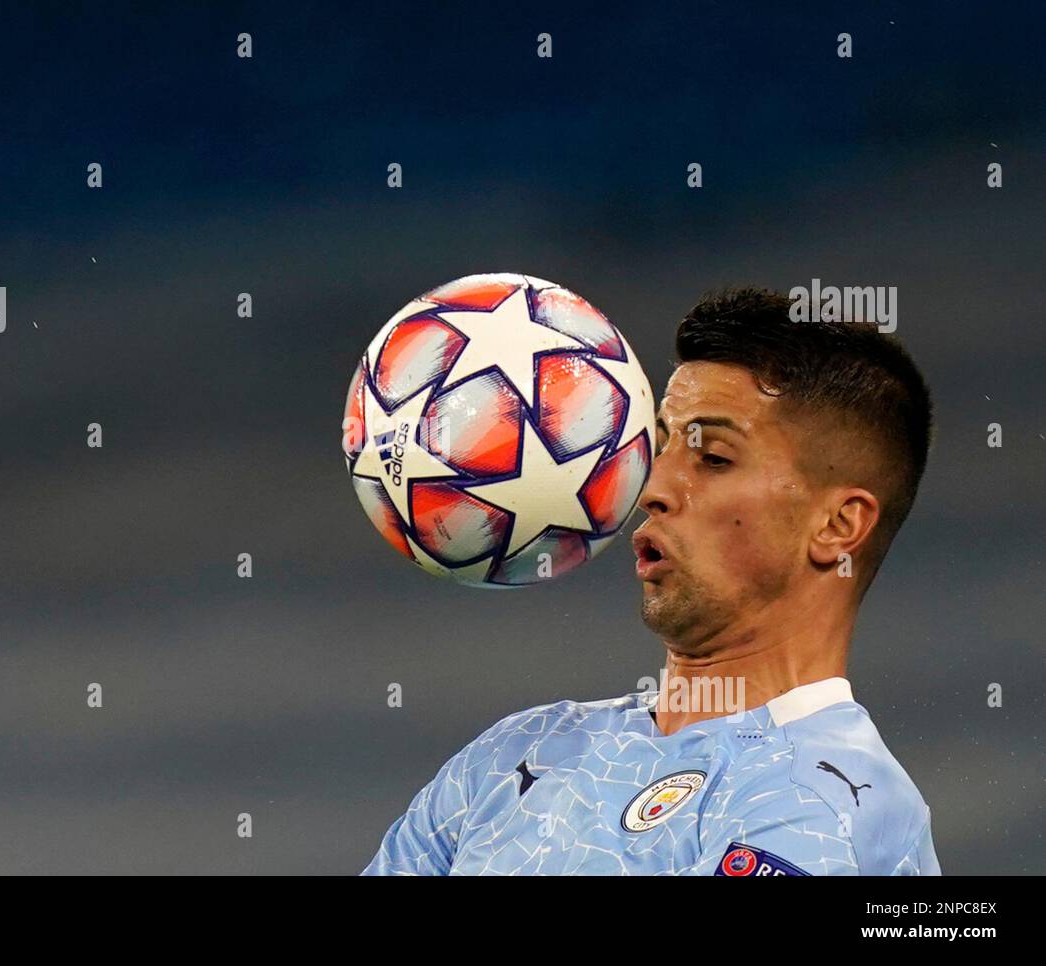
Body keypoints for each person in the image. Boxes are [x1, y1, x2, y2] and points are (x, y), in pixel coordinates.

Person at [363, 287, 939, 875]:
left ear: (838, 526)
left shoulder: (829, 800)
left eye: (713, 458)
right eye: (658, 449)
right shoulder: (513, 756)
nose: (650, 490)